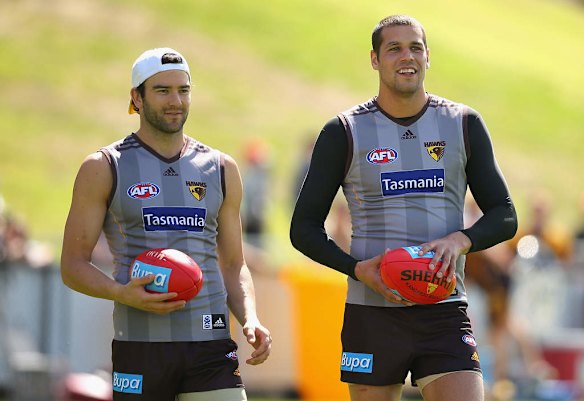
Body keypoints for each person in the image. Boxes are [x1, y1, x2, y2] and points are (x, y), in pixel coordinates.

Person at [290, 15, 518, 401]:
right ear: (375, 60)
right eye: (393, 48)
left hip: (443, 306)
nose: (406, 56)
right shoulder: (343, 131)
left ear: (428, 56)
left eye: (415, 47)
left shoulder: (462, 123)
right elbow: (304, 228)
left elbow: (505, 214)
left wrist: (460, 241)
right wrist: (356, 269)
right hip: (372, 311)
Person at [61, 47, 271, 401]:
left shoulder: (221, 168)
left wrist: (250, 317)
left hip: (212, 344)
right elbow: (72, 266)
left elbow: (234, 264)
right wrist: (120, 292)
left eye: (183, 90)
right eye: (162, 91)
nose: (176, 101)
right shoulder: (103, 166)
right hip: (140, 345)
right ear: (136, 98)